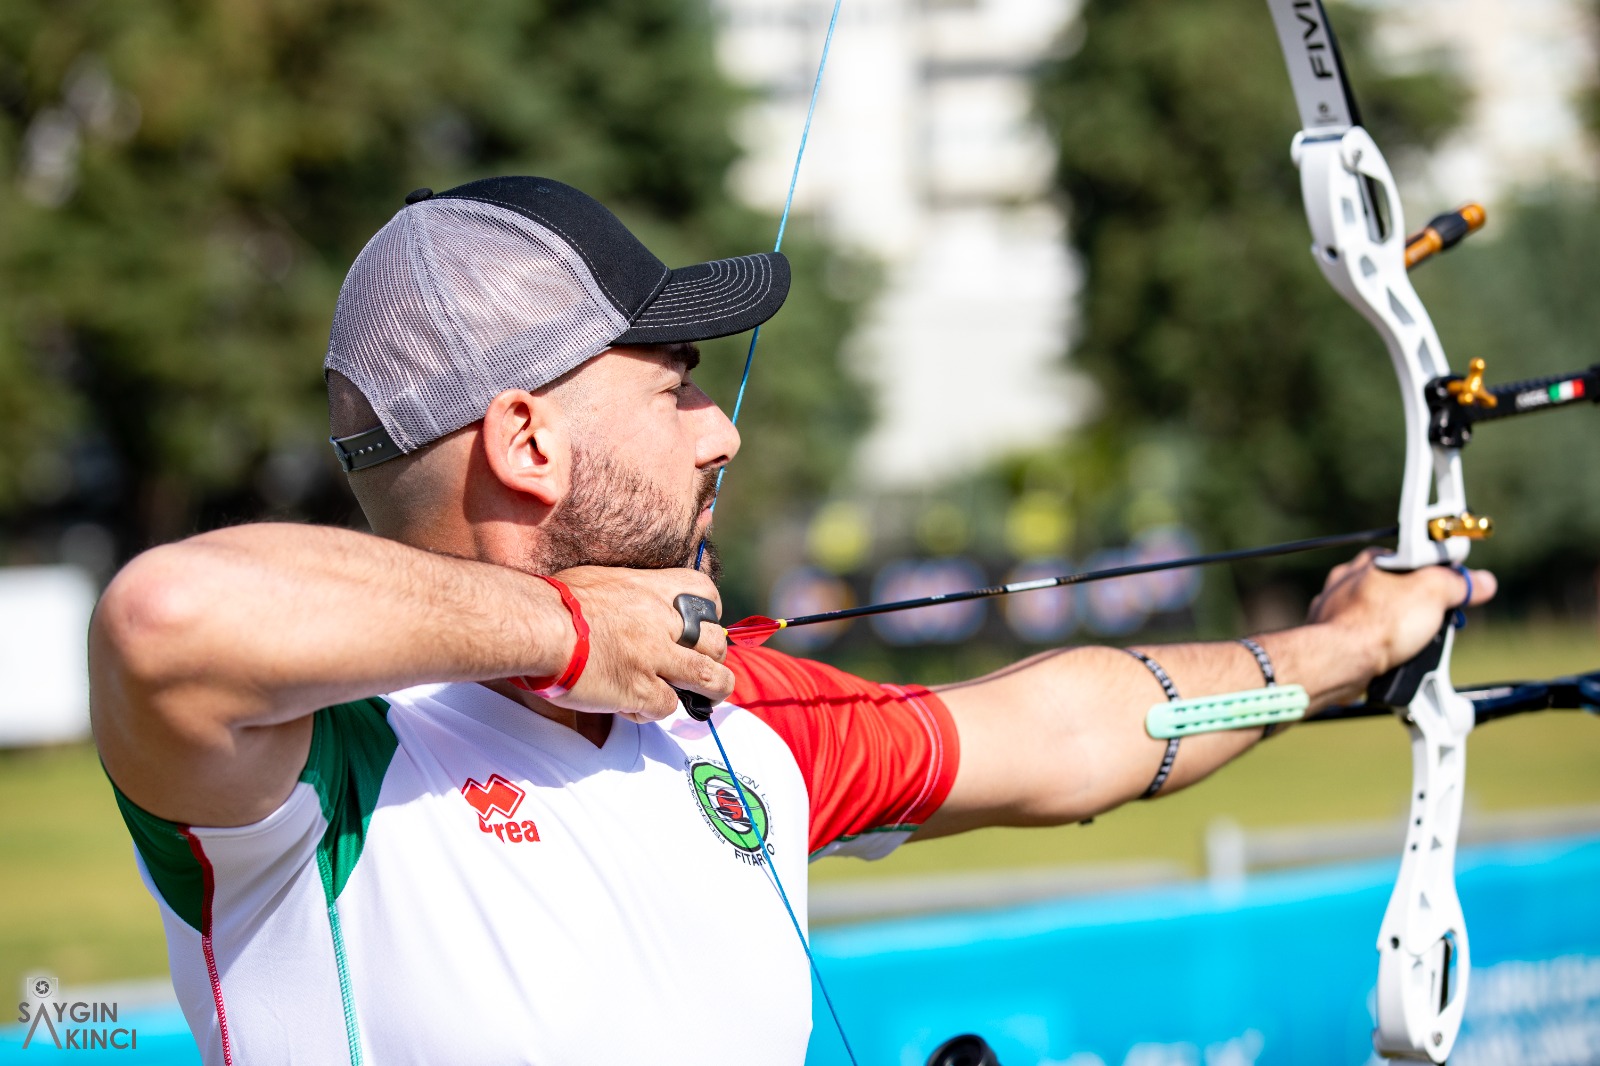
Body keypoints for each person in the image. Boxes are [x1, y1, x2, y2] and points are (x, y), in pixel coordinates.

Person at [89, 176, 1494, 1066]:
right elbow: (167, 615)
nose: (722, 433)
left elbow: (1069, 731)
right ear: (524, 436)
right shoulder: (319, 772)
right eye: (674, 381)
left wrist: (1339, 653)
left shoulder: (718, 718)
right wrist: (569, 634)